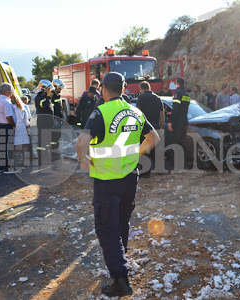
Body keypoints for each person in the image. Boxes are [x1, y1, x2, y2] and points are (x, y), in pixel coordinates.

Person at [76, 72, 159, 297]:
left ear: (103, 89)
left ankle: (120, 279)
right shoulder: (135, 111)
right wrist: (134, 152)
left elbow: (82, 140)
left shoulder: (101, 112)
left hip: (107, 181)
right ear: (123, 89)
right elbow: (154, 138)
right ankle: (120, 260)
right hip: (130, 177)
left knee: (106, 228)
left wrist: (83, 160)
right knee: (122, 223)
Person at [136, 81, 165, 177]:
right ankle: (160, 171)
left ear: (141, 89)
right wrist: (161, 127)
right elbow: (162, 114)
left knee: (145, 150)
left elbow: (138, 113)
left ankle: (145, 173)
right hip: (156, 126)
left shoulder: (141, 98)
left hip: (145, 128)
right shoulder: (157, 98)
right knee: (157, 149)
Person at [0, 82, 16, 173]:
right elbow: (8, 117)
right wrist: (13, 125)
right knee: (8, 147)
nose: (12, 92)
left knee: (0, 147)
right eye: (10, 90)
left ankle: (0, 167)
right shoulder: (6, 102)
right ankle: (7, 168)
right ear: (5, 91)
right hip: (6, 126)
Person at [168, 77, 190, 163]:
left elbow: (176, 109)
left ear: (177, 83)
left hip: (177, 122)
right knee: (182, 141)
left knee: (176, 142)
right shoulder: (186, 94)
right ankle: (184, 161)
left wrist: (170, 120)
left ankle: (176, 162)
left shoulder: (178, 93)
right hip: (184, 120)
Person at [34, 79, 54, 167]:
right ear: (44, 89)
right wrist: (49, 98)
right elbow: (44, 105)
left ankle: (46, 158)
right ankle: (41, 160)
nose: (50, 91)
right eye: (48, 89)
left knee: (47, 141)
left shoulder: (45, 97)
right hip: (43, 122)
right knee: (42, 142)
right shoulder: (39, 97)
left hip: (48, 122)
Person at [10, 94, 30, 168]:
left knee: (14, 147)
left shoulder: (10, 107)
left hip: (15, 127)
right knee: (24, 146)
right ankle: (26, 162)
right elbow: (26, 120)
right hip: (22, 128)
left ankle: (14, 163)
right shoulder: (22, 107)